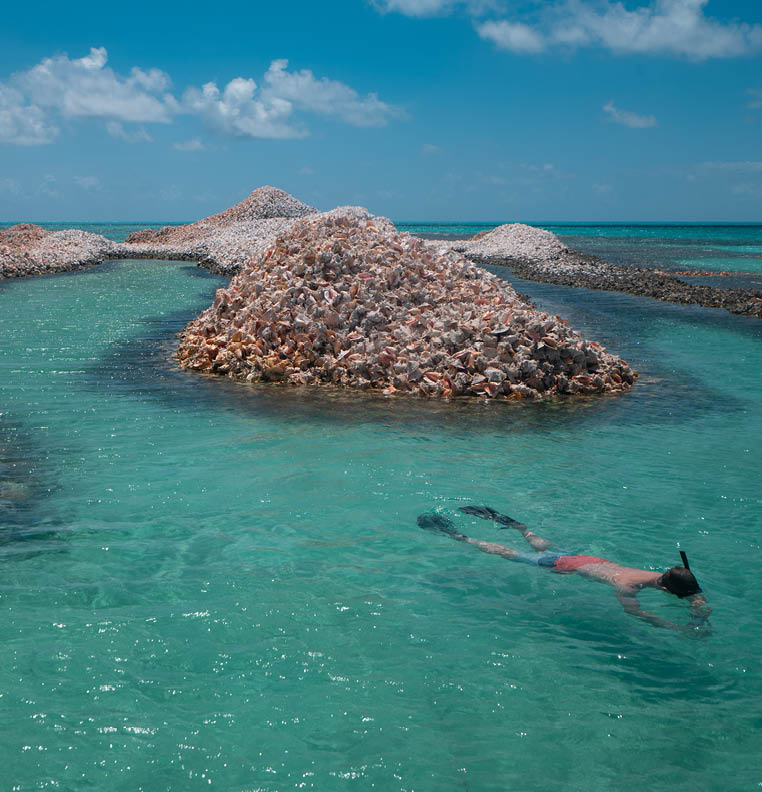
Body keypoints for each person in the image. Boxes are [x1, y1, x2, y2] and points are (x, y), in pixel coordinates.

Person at [418, 505, 710, 632]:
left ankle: (521, 527)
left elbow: (688, 587)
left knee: (542, 547)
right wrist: (677, 627)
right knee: (509, 555)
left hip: (586, 560)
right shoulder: (627, 586)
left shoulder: (657, 574)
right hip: (563, 564)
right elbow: (635, 612)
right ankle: (458, 536)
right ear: (667, 589)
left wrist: (698, 603)